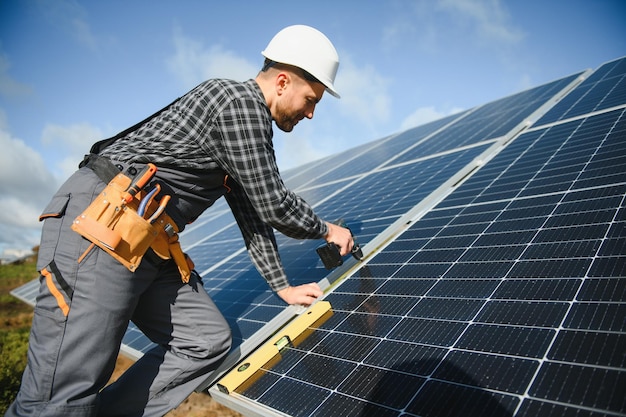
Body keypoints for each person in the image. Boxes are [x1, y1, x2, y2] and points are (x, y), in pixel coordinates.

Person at [6, 24, 354, 417]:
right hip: (102, 226)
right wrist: (327, 229)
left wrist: (283, 287)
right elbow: (273, 203)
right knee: (60, 394)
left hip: (145, 237)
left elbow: (254, 213)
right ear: (282, 81)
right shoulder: (239, 104)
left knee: (205, 341)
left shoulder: (245, 125)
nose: (310, 113)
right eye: (311, 99)